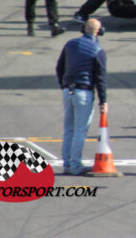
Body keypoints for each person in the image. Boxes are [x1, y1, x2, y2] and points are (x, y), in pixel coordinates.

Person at [55, 18, 108, 176]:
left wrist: (64, 85)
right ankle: (76, 164)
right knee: (80, 130)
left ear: (83, 29)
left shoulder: (70, 44)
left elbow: (59, 68)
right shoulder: (97, 49)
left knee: (69, 129)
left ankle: (67, 164)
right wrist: (103, 100)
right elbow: (101, 78)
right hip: (84, 91)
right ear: (98, 31)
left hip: (68, 90)